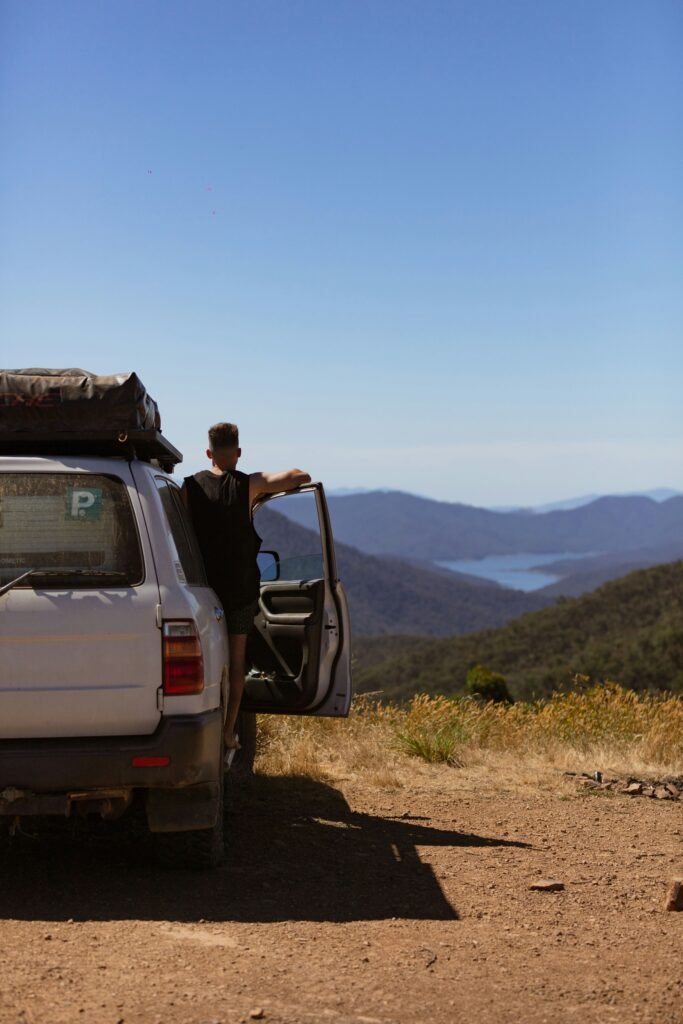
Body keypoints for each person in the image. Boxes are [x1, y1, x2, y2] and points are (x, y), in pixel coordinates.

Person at [183, 422, 311, 758]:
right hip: (239, 592)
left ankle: (197, 726)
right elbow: (301, 476)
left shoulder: (189, 488)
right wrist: (258, 495)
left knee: (202, 661)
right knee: (236, 661)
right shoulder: (248, 485)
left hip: (200, 592)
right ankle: (227, 733)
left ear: (208, 453)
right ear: (238, 452)